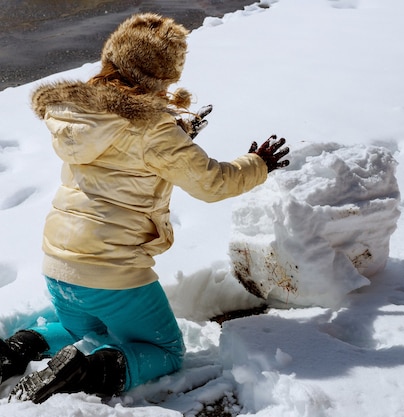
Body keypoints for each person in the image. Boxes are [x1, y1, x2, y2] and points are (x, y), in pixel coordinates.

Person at [1, 13, 289, 403]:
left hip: (59, 263)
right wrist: (258, 164)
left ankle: (14, 350)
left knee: (78, 330)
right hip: (111, 269)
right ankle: (82, 373)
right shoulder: (154, 128)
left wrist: (178, 135)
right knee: (165, 351)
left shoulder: (78, 110)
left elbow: (123, 150)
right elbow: (211, 182)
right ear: (162, 74)